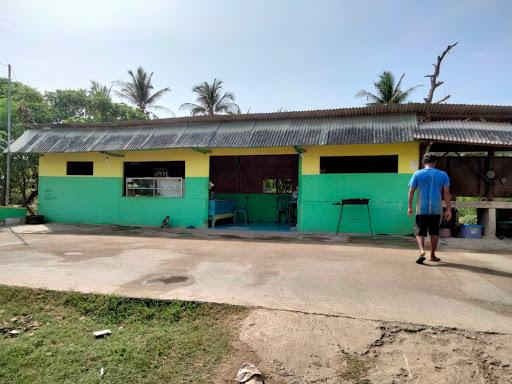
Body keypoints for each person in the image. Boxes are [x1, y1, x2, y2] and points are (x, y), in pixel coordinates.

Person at [408, 153, 452, 264]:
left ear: (423, 162)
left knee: (419, 232)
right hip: (436, 209)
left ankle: (422, 251)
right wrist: (448, 209)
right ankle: (432, 255)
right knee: (434, 232)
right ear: (435, 163)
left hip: (421, 209)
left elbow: (411, 191)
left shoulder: (417, 174)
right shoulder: (443, 175)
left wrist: (409, 207)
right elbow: (446, 193)